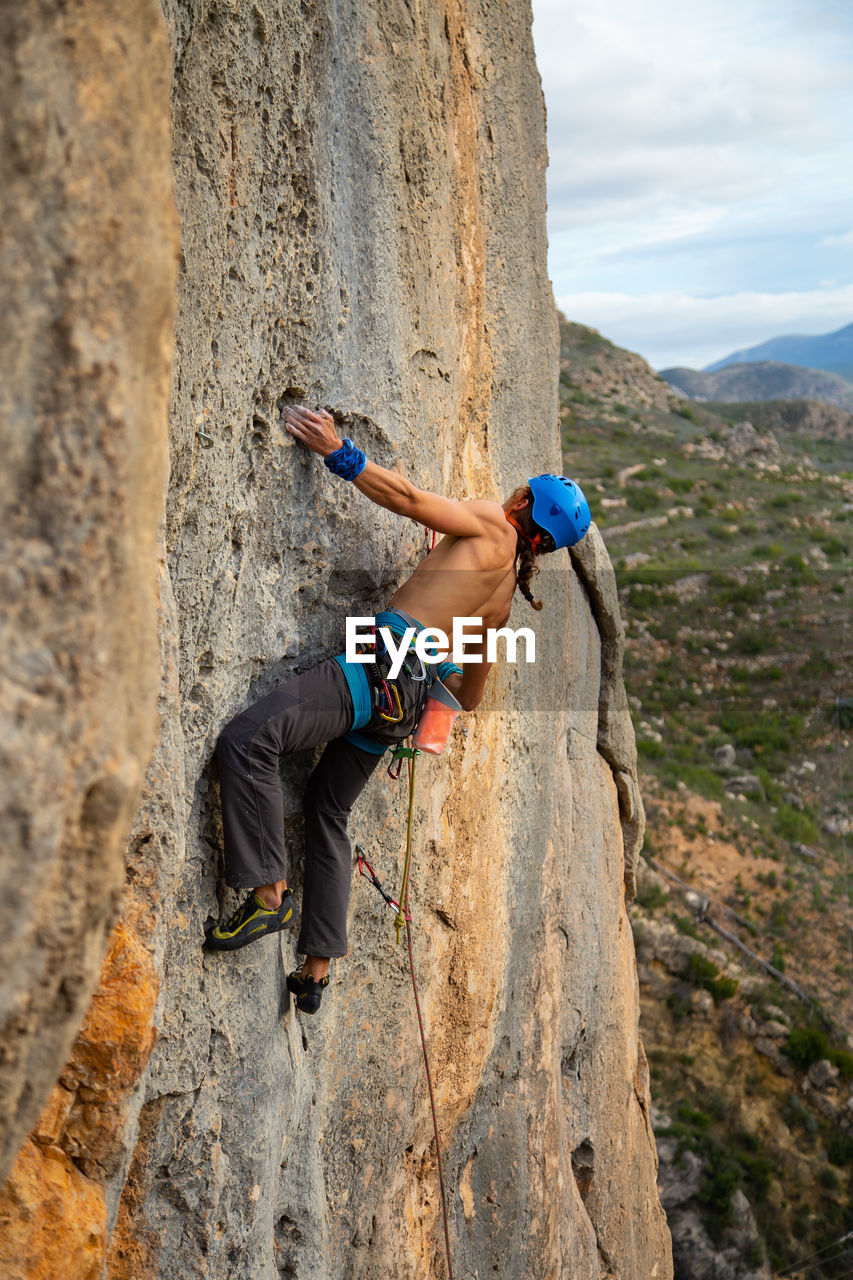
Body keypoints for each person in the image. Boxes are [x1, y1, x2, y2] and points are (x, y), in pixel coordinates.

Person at [204, 405, 590, 1013]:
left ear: (523, 502)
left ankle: (269, 895)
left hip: (378, 666)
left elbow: (408, 498)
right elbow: (468, 694)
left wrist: (339, 451)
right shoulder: (503, 598)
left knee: (251, 739)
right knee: (328, 811)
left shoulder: (492, 525)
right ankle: (316, 971)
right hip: (404, 705)